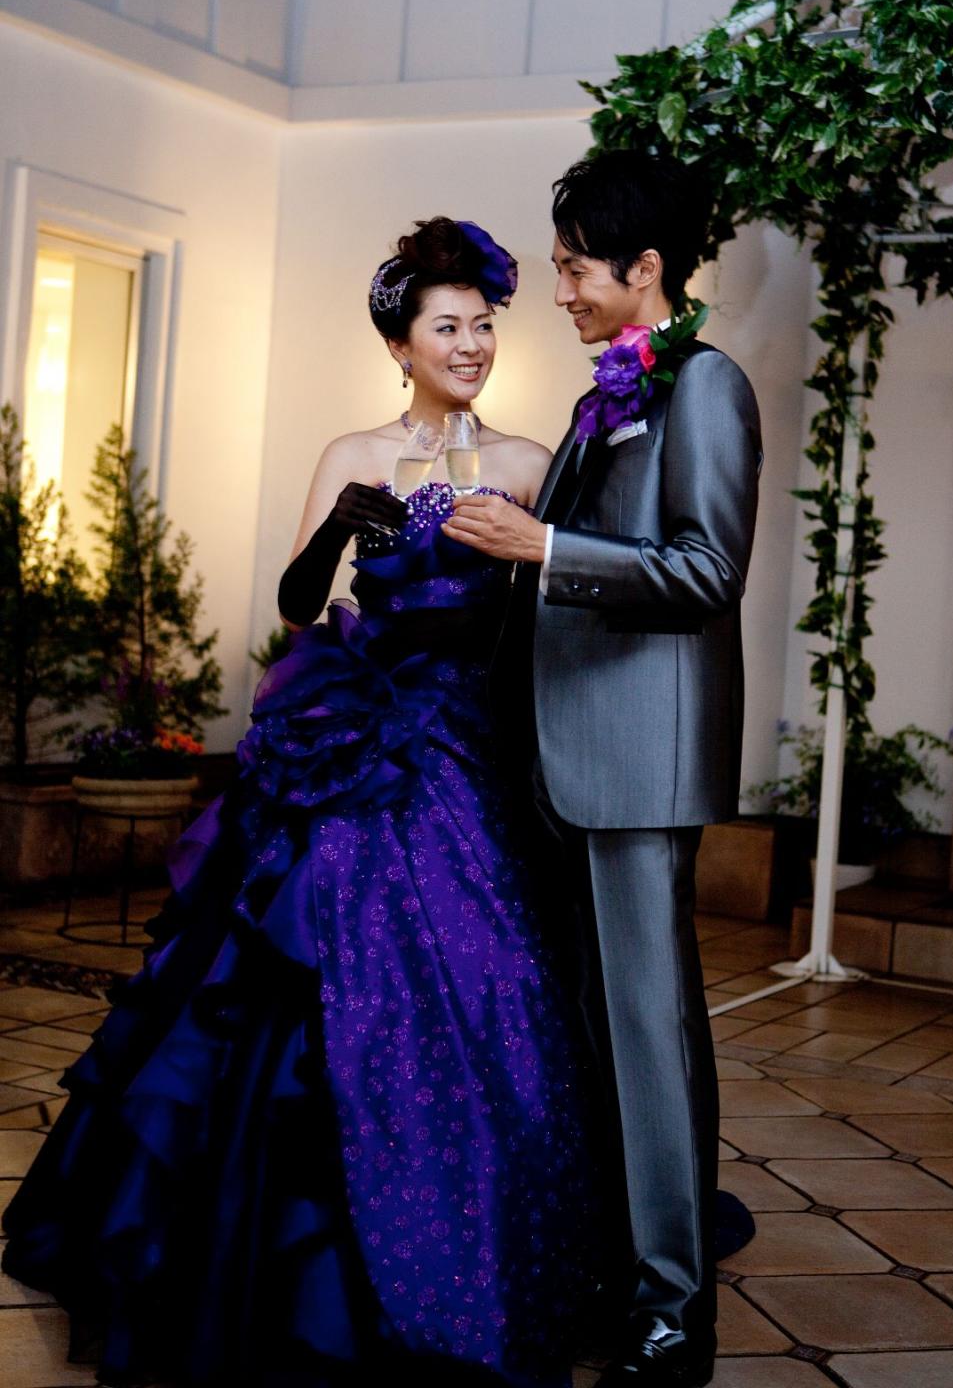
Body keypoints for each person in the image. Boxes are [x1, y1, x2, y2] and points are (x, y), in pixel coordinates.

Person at [1, 217, 601, 1388]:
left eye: (483, 325)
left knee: (489, 976)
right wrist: (343, 523)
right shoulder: (355, 452)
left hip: (467, 749)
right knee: (291, 968)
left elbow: (553, 623)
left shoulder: (532, 463)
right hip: (353, 739)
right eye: (447, 327)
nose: (471, 344)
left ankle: (485, 1240)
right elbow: (293, 602)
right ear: (401, 344)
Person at [442, 152, 762, 1387]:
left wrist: (544, 546)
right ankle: (617, 1271)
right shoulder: (601, 398)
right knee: (588, 1033)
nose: (561, 288)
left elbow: (704, 571)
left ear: (645, 268)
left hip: (638, 764)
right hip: (563, 757)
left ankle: (675, 1312)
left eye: (575, 266)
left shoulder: (707, 386)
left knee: (649, 1039)